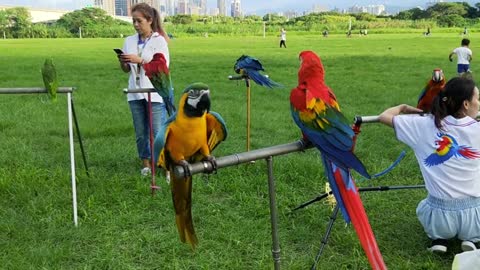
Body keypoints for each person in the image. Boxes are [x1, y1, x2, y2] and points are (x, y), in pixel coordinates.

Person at [379, 77, 480, 254]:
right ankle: (472, 239)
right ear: (465, 104)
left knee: (429, 206)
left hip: (440, 216)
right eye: (477, 99)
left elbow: (384, 117)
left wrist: (402, 107)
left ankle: (439, 239)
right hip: (475, 216)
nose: (479, 103)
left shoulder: (424, 124)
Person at [117, 3, 170, 176]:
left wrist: (139, 60)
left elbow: (163, 67)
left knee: (157, 132)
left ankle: (163, 163)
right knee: (141, 133)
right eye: (133, 21)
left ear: (150, 20)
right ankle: (146, 164)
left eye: (139, 21)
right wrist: (124, 62)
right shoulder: (129, 41)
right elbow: (126, 70)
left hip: (155, 93)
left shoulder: (159, 40)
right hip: (135, 93)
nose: (136, 24)